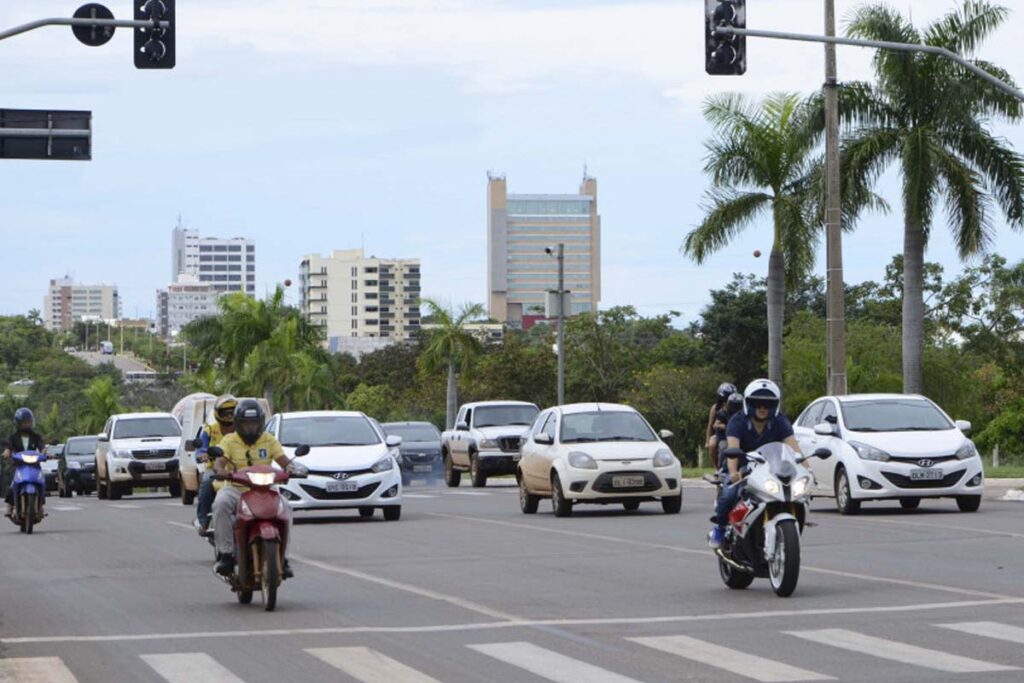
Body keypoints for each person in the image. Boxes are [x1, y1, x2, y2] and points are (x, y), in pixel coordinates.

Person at [708, 379, 801, 549]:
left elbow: (795, 448)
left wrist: (807, 470)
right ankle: (720, 528)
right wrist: (734, 472)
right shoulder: (737, 421)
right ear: (748, 404)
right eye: (757, 403)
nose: (762, 408)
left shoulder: (780, 421)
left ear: (774, 406)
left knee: (794, 496)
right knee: (729, 493)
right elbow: (733, 449)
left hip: (772, 469)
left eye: (767, 404)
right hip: (743, 470)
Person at [210, 399, 298, 578]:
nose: (250, 427)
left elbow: (284, 461)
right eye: (246, 423)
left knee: (287, 506)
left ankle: (284, 559)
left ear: (261, 422)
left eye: (254, 423)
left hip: (265, 490)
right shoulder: (229, 440)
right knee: (220, 502)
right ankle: (225, 555)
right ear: (238, 423)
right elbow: (220, 462)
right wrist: (219, 470)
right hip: (237, 490)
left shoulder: (269, 440)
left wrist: (293, 469)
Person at [193, 395, 238, 535]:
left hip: (239, 469)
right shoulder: (209, 430)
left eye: (233, 412)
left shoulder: (244, 430)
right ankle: (203, 521)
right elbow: (200, 450)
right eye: (226, 412)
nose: (230, 415)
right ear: (219, 414)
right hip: (215, 470)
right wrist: (202, 455)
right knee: (206, 482)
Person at [2, 408, 46, 518]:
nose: (27, 424)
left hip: (34, 465)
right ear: (18, 423)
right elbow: (9, 446)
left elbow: (41, 446)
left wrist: (45, 452)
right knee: (13, 483)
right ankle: (11, 505)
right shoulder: (13, 437)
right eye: (24, 422)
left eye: (29, 421)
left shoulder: (36, 437)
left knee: (40, 481)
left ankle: (40, 506)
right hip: (19, 464)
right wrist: (7, 452)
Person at [705, 383, 737, 469]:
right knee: (712, 444)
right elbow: (711, 424)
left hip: (734, 433)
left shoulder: (737, 406)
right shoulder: (715, 408)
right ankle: (717, 468)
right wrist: (707, 440)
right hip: (721, 434)